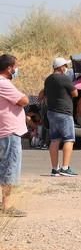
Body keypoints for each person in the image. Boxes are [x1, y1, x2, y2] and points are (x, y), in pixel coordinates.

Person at [0, 54, 29, 217]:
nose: (16, 69)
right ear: (9, 68)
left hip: (4, 130)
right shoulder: (4, 84)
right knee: (10, 166)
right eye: (15, 66)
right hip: (9, 130)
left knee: (3, 166)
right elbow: (23, 100)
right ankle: (7, 205)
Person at [44, 57, 79, 177]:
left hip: (52, 112)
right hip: (64, 112)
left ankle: (55, 169)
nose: (66, 68)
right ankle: (65, 167)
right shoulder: (64, 78)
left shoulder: (48, 79)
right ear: (60, 67)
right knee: (69, 139)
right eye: (65, 66)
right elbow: (75, 93)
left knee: (54, 140)